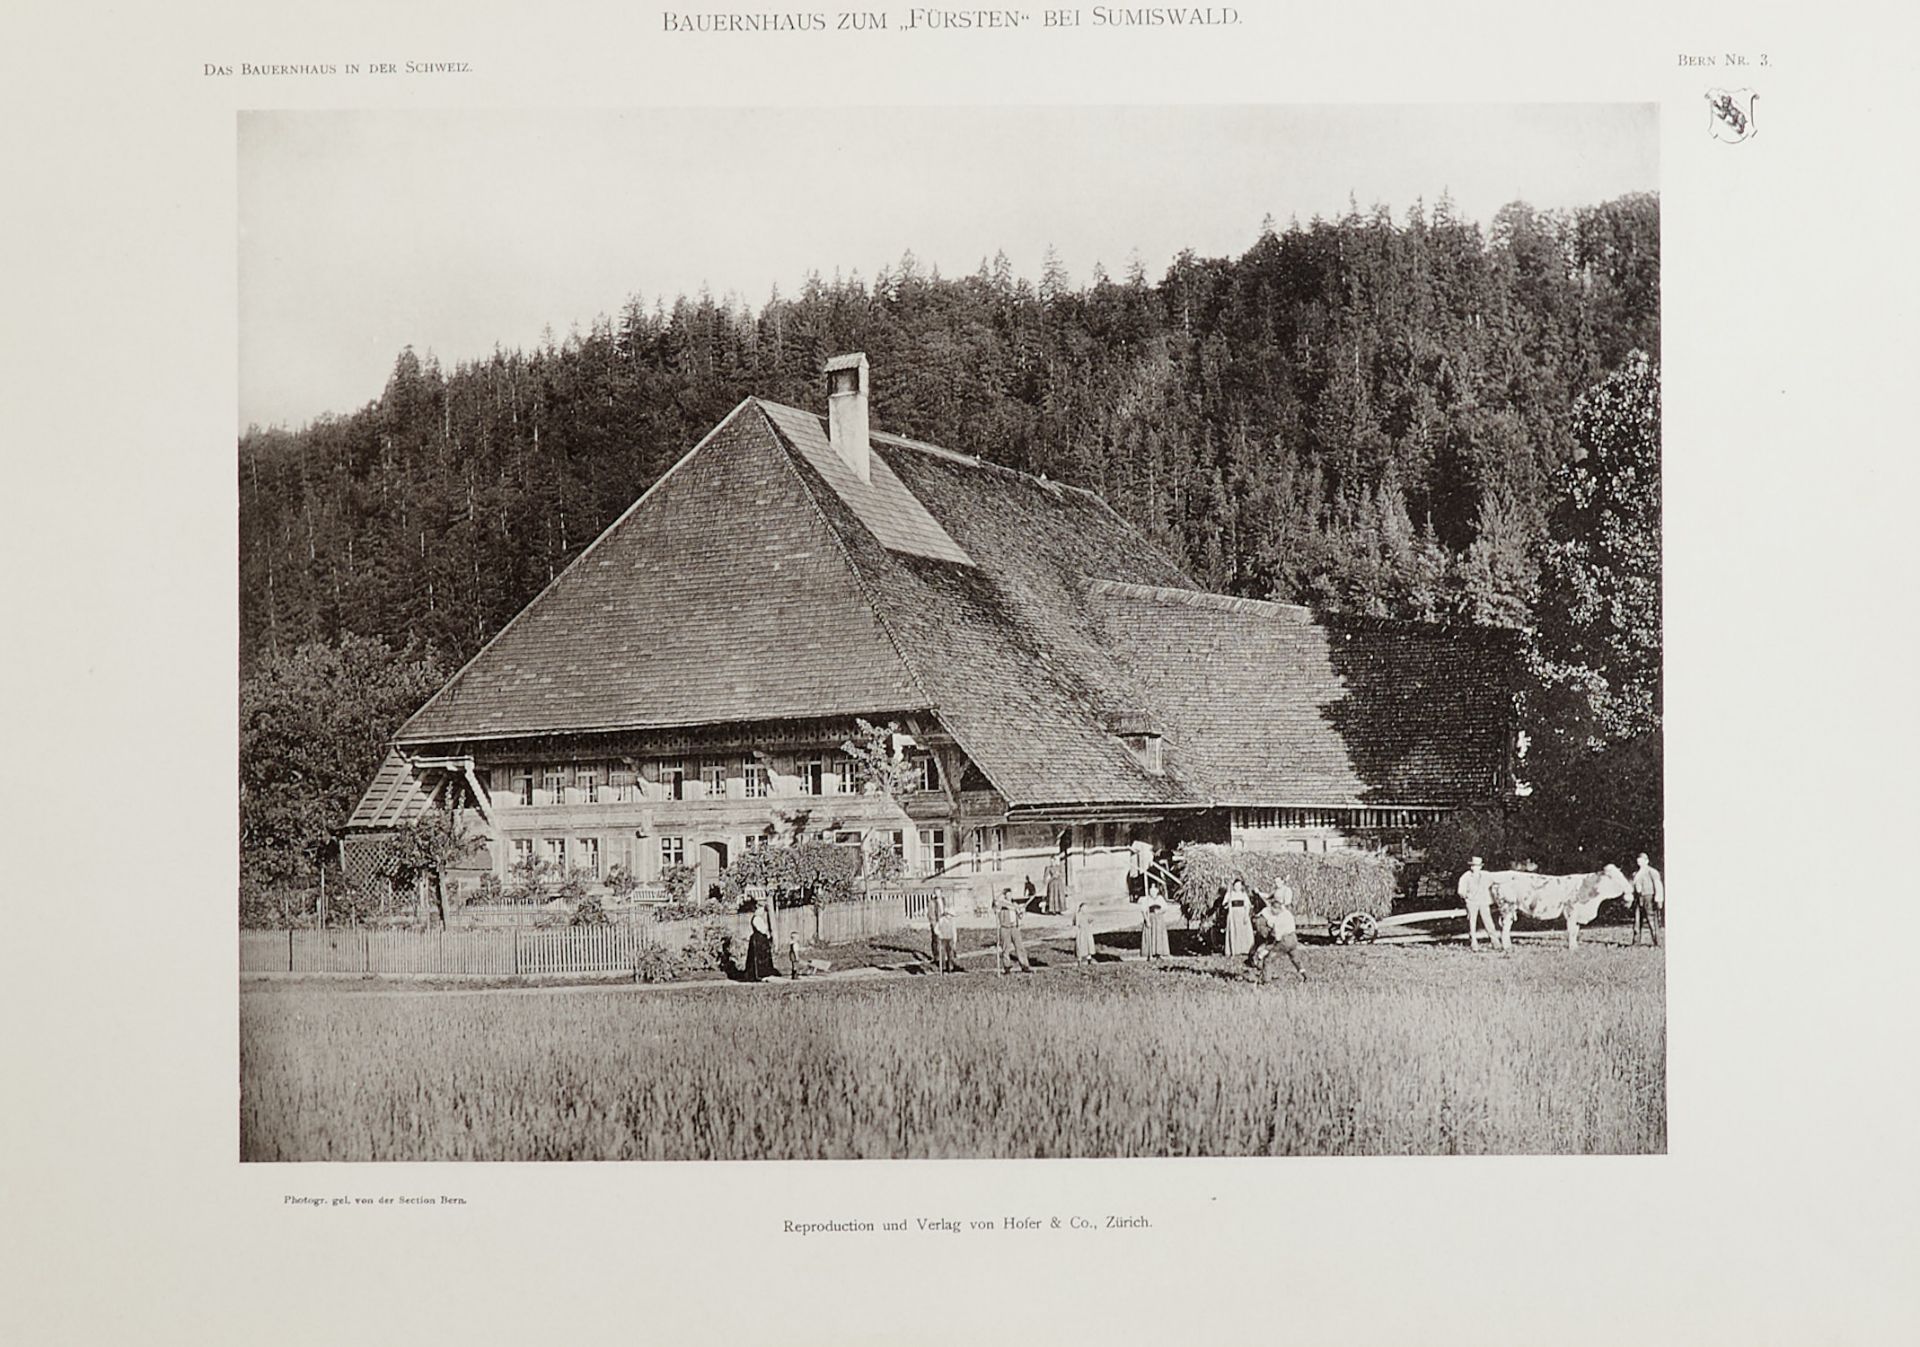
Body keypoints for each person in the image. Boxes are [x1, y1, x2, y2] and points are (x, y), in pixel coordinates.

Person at [1251, 883, 1308, 984]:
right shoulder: (1288, 914)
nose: (1272, 912)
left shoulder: (1278, 920)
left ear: (1276, 909)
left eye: (1273, 910)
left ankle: (1266, 981)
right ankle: (1304, 975)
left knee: (1268, 960)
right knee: (1295, 958)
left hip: (1285, 941)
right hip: (1293, 939)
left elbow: (1277, 938)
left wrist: (1266, 949)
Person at [993, 887, 1034, 974]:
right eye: (1007, 894)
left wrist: (1021, 911)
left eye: (1010, 894)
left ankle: (1025, 966)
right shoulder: (1001, 904)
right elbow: (995, 905)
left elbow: (1020, 916)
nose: (1009, 896)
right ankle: (1007, 967)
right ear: (1004, 896)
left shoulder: (1014, 904)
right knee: (1006, 948)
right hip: (1005, 928)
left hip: (1014, 928)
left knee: (1020, 947)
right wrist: (1000, 894)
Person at [1630, 852, 1665, 947]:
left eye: (1641, 860)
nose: (1639, 862)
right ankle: (1636, 942)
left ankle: (1657, 942)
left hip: (1649, 898)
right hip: (1639, 899)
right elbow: (1634, 887)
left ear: (1647, 861)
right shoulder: (1635, 874)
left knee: (1652, 921)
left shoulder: (1652, 872)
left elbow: (1658, 885)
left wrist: (1659, 899)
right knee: (1637, 921)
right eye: (1638, 860)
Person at [743, 895, 777, 982]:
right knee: (758, 957)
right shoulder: (756, 919)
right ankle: (758, 975)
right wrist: (767, 933)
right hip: (758, 939)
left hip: (761, 939)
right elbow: (762, 929)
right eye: (761, 909)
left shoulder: (759, 919)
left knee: (764, 957)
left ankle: (765, 973)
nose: (762, 911)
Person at [1222, 877, 1256, 960]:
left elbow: (1247, 906)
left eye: (1239, 886)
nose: (1237, 887)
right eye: (1236, 885)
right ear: (1233, 886)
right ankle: (1234, 950)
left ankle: (1245, 950)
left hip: (1242, 914)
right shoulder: (1230, 894)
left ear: (1241, 886)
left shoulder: (1243, 894)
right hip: (1233, 915)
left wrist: (1246, 915)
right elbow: (1224, 904)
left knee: (1244, 931)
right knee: (1234, 931)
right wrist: (1228, 901)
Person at [1140, 884, 1171, 964]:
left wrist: (1160, 911)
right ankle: (1149, 954)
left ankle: (1159, 953)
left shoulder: (1160, 899)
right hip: (1150, 918)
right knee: (1150, 935)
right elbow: (1143, 911)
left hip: (1159, 919)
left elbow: (1165, 908)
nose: (1152, 892)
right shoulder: (1146, 899)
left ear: (1157, 891)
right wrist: (1147, 920)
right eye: (1151, 890)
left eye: (1154, 891)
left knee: (1159, 936)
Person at [933, 894, 959, 972]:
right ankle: (943, 966)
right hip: (943, 938)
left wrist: (954, 940)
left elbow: (954, 931)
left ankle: (950, 967)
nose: (950, 917)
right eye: (950, 915)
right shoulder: (941, 920)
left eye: (952, 916)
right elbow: (936, 929)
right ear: (946, 914)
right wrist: (939, 933)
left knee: (950, 953)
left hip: (950, 938)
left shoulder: (952, 922)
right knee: (943, 953)